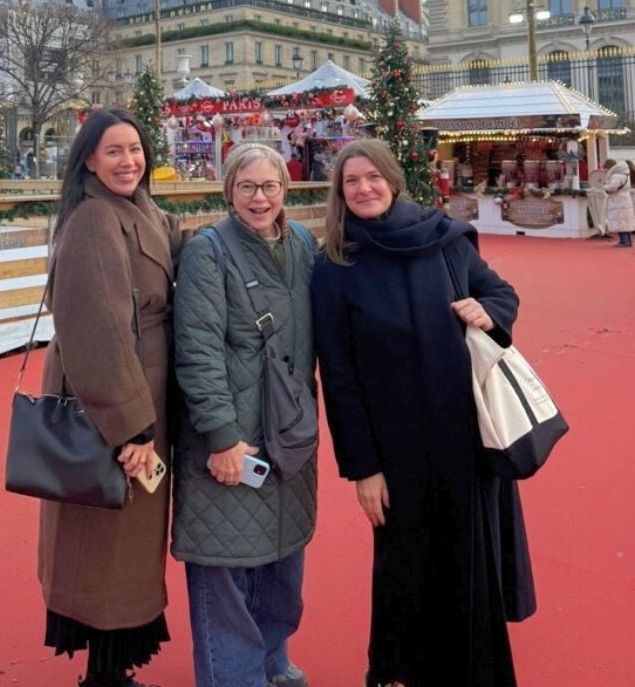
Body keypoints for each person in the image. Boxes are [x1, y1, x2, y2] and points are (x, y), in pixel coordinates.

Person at [311, 138, 535, 687]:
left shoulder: (445, 239)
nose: (363, 189)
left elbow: (500, 292)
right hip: (395, 449)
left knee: (468, 558)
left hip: (464, 439)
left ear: (391, 179)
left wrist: (487, 311)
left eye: (372, 177)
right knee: (405, 565)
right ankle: (401, 671)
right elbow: (338, 375)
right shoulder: (336, 264)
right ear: (341, 193)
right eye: (351, 182)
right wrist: (362, 468)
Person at [37, 108, 183, 687]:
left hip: (139, 394)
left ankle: (113, 667)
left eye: (136, 149)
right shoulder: (96, 218)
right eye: (114, 151)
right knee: (106, 537)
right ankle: (102, 674)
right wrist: (131, 429)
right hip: (113, 403)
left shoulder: (141, 209)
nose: (129, 161)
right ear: (89, 160)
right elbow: (94, 328)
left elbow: (184, 247)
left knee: (124, 540)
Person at [172, 143, 317, 687]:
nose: (260, 198)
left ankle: (272, 659)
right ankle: (235, 677)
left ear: (286, 189)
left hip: (288, 429)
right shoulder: (210, 252)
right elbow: (198, 348)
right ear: (229, 190)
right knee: (225, 568)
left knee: (282, 554)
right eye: (247, 187)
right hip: (232, 432)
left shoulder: (302, 242)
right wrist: (221, 436)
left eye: (271, 186)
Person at [602, 157, 634, 246]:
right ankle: (627, 241)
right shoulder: (625, 174)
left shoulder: (616, 176)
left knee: (620, 221)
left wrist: (604, 187)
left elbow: (613, 187)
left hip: (618, 200)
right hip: (624, 199)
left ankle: (624, 241)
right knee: (624, 222)